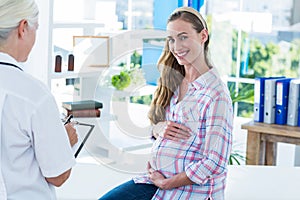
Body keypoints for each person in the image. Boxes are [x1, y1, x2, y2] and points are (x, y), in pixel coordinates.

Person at [99, 6, 233, 200]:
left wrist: (168, 182)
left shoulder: (216, 95)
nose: (176, 47)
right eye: (171, 39)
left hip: (189, 192)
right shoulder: (174, 83)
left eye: (183, 37)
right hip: (154, 182)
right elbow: (156, 128)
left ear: (203, 36)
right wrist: (158, 128)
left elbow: (214, 162)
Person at [0, 0, 78, 199]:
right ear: (23, 28)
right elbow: (58, 176)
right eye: (36, 28)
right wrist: (65, 142)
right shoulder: (32, 94)